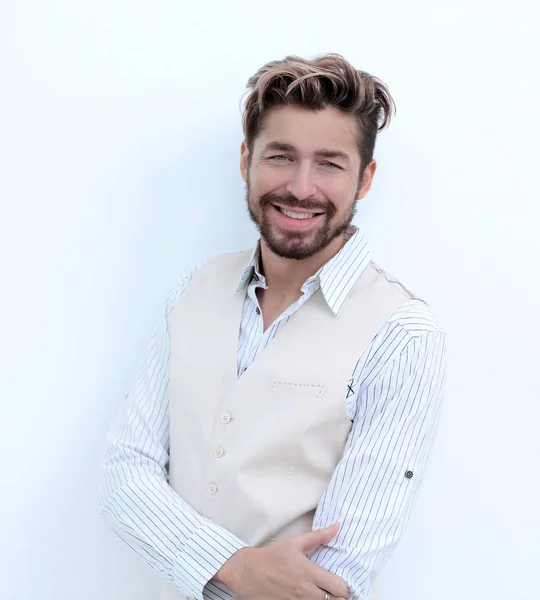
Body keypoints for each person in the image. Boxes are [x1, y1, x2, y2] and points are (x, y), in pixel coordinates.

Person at [100, 53, 447, 600]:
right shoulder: (193, 289)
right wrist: (236, 567)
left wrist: (194, 563)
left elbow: (336, 578)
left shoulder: (401, 331)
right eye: (281, 156)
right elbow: (126, 475)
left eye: (330, 163)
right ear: (247, 160)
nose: (301, 188)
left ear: (365, 178)